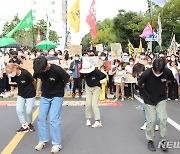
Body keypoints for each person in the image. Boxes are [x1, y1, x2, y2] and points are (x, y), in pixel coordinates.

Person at [33, 56, 72, 153]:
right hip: (45, 95)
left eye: (43, 70)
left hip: (57, 95)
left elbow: (69, 78)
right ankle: (43, 140)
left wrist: (62, 84)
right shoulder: (38, 69)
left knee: (54, 119)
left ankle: (56, 143)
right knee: (41, 118)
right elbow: (36, 79)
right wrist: (37, 90)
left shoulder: (57, 69)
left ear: (47, 65)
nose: (42, 72)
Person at [138, 58, 175, 152]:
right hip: (149, 99)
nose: (158, 73)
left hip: (161, 98)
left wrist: (164, 85)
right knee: (151, 121)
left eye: (160, 72)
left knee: (162, 119)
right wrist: (146, 92)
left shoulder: (167, 71)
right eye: (156, 71)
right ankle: (150, 140)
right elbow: (139, 83)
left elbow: (171, 80)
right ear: (153, 68)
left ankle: (163, 140)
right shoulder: (147, 73)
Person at [6, 63, 36, 133]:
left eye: (11, 72)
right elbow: (12, 84)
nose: (11, 74)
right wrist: (12, 92)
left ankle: (29, 123)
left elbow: (33, 81)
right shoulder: (14, 76)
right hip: (21, 94)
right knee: (19, 110)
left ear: (15, 68)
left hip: (30, 94)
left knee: (29, 111)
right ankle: (24, 126)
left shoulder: (25, 73)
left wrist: (35, 90)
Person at [80, 61, 106, 128]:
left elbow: (104, 76)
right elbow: (81, 78)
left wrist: (96, 80)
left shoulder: (96, 71)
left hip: (96, 88)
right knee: (88, 104)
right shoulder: (83, 72)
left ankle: (98, 121)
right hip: (88, 87)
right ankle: (88, 119)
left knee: (94, 104)